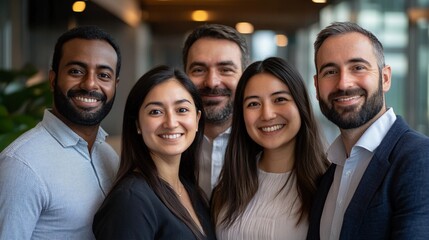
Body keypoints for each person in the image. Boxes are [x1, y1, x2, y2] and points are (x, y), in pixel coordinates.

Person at [307, 21, 429, 240]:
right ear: (316, 87)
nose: (343, 83)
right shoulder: (328, 173)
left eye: (358, 67)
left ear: (385, 78)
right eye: (331, 71)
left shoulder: (420, 157)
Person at [0, 25, 121, 239]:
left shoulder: (109, 156)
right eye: (76, 71)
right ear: (53, 80)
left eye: (103, 75)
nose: (90, 84)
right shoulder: (21, 166)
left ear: (115, 85)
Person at [211, 57, 329, 239]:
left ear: (301, 104)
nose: (267, 114)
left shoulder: (327, 183)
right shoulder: (229, 185)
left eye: (280, 99)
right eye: (253, 104)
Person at [92, 65, 216, 240]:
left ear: (196, 119)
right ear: (137, 125)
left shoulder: (190, 189)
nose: (171, 123)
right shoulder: (131, 200)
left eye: (182, 110)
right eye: (156, 112)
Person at [182, 23, 250, 198]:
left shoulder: (266, 142)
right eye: (199, 70)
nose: (212, 82)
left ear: (244, 76)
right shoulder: (165, 142)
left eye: (226, 69)